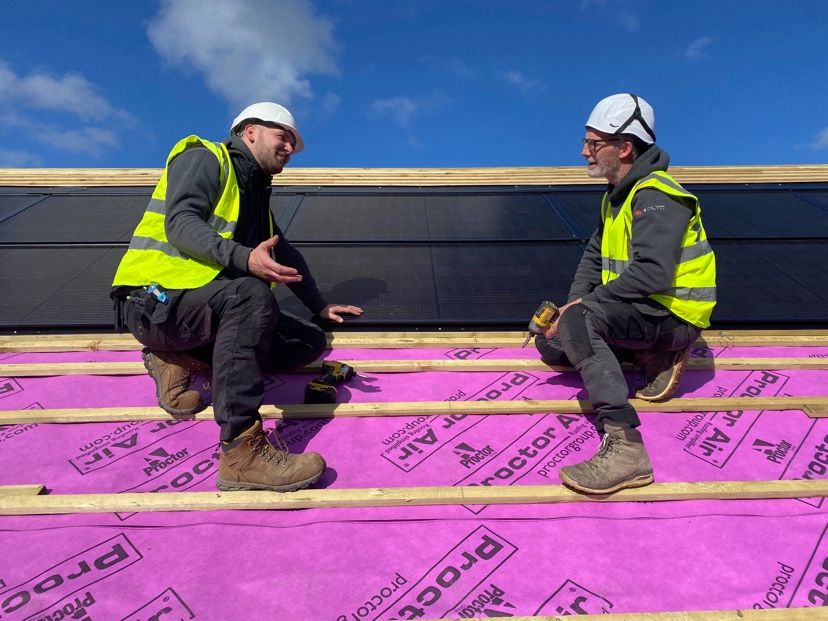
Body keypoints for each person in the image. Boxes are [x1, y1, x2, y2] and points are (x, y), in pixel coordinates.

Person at [111, 102, 363, 493]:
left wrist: (319, 307)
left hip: (192, 312)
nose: (289, 150)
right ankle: (242, 453)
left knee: (307, 342)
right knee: (250, 295)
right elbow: (181, 223)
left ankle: (181, 357)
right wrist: (245, 258)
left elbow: (285, 255)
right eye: (283, 138)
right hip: (152, 304)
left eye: (292, 146)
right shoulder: (205, 159)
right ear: (250, 132)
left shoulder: (253, 196)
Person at [535, 93, 716, 494]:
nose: (584, 151)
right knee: (552, 344)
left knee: (580, 322)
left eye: (593, 143)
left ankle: (625, 448)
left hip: (674, 316)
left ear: (625, 147)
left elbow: (653, 273)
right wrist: (569, 307)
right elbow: (592, 259)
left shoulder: (655, 195)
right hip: (641, 310)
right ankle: (648, 356)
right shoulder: (615, 199)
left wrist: (581, 311)